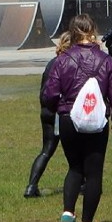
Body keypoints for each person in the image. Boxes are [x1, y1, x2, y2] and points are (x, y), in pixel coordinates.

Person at [42, 14, 112, 222]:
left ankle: (68, 212)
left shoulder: (62, 60)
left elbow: (49, 94)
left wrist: (58, 110)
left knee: (74, 167)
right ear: (93, 31)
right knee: (94, 172)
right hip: (96, 121)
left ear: (71, 33)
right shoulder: (106, 61)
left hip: (69, 118)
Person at [23, 34, 70, 198]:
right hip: (61, 111)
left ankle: (31, 186)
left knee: (47, 150)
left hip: (46, 111)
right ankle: (82, 184)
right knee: (74, 150)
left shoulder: (52, 63)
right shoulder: (67, 63)